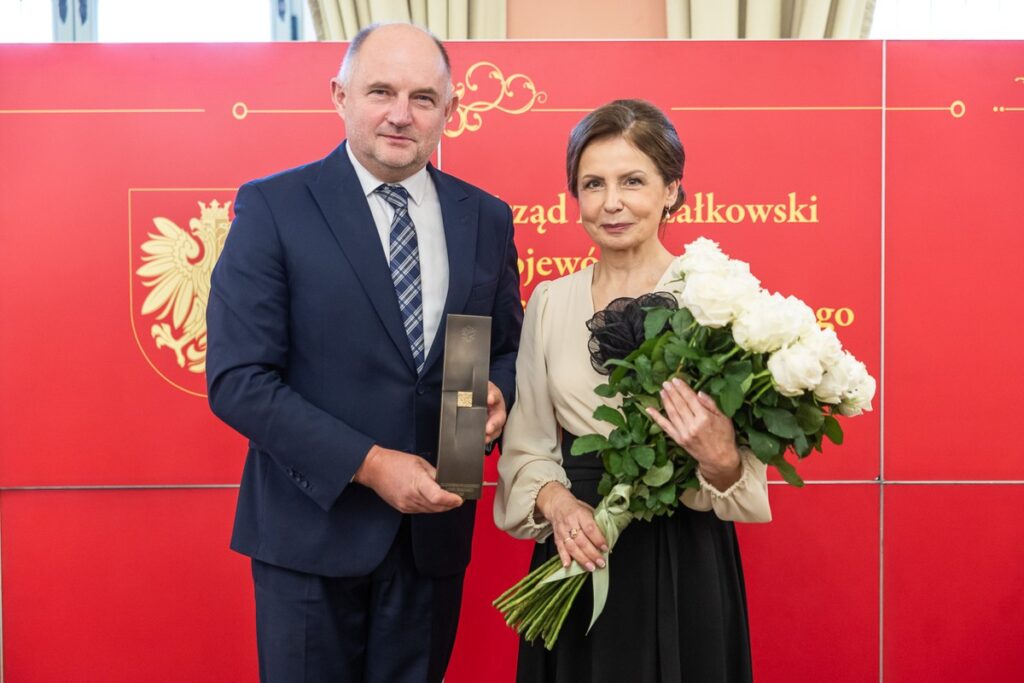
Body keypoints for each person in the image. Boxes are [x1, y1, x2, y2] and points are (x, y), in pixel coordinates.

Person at [206, 22, 522, 683]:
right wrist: (371, 464)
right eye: (380, 91)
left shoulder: (486, 218)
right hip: (310, 537)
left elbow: (500, 346)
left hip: (433, 541)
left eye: (423, 98)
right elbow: (239, 379)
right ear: (340, 95)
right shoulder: (274, 207)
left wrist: (496, 390)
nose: (400, 115)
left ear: (451, 111)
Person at [494, 99, 772, 683]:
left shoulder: (717, 299)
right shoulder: (549, 302)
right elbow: (528, 446)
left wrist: (720, 459)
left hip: (685, 550)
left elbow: (737, 473)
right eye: (592, 184)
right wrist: (557, 504)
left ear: (672, 189)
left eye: (633, 181)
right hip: (577, 543)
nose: (611, 202)